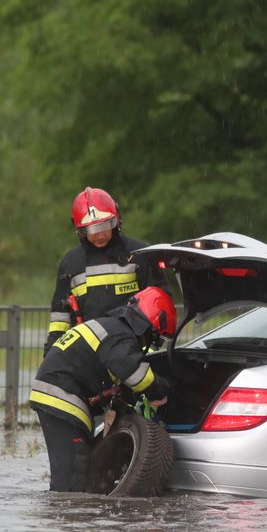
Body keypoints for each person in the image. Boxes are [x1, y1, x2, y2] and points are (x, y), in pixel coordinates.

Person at [29, 287, 176, 493]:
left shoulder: (111, 328)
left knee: (79, 464)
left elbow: (115, 378)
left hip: (57, 394)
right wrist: (159, 390)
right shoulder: (118, 335)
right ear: (150, 325)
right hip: (62, 396)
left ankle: (69, 517)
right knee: (73, 471)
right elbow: (136, 373)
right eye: (155, 339)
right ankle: (64, 517)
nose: (150, 345)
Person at [44, 187, 169, 354]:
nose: (99, 235)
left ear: (117, 220)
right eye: (91, 230)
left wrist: (152, 347)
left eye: (105, 225)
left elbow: (160, 302)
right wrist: (52, 352)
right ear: (80, 230)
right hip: (90, 353)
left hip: (136, 349)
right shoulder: (70, 263)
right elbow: (60, 317)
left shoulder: (140, 255)